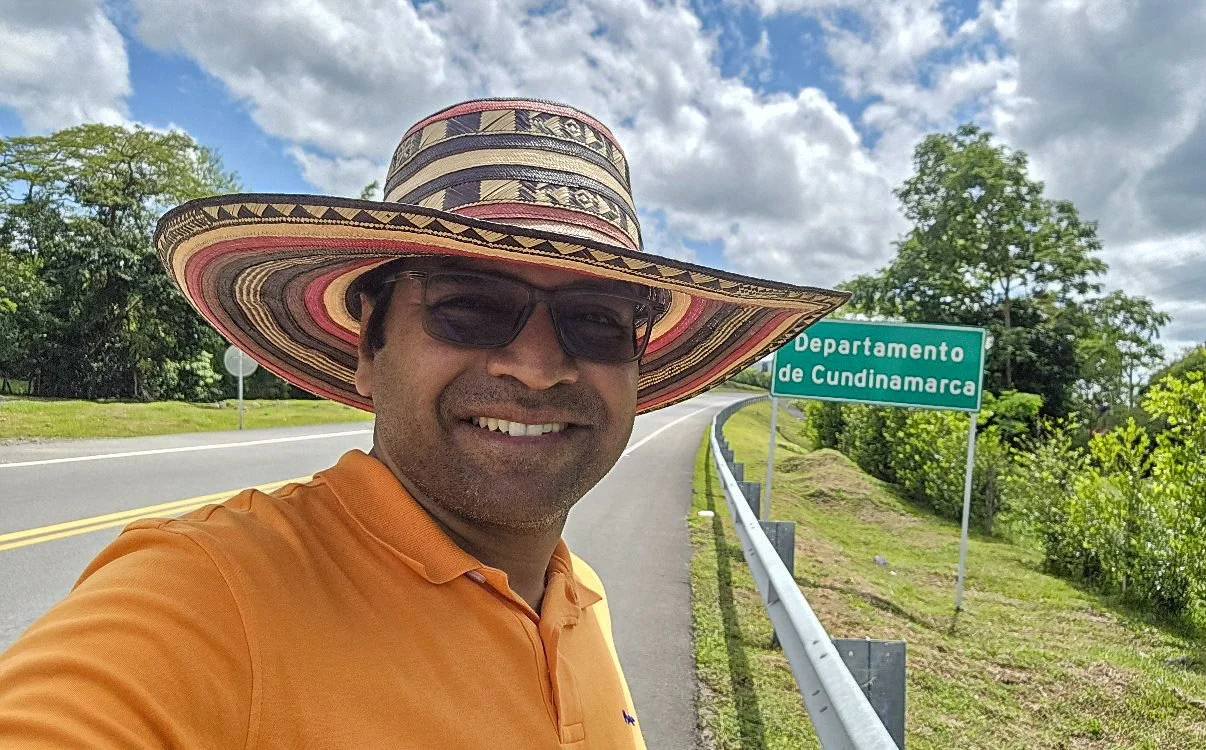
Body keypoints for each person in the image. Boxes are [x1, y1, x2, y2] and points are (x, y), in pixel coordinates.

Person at [0, 98, 846, 748]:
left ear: (634, 362)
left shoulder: (577, 596)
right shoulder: (206, 595)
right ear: (370, 341)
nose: (537, 365)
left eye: (595, 322)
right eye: (471, 308)